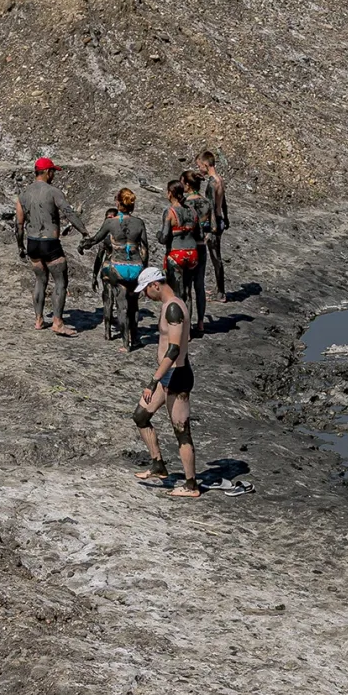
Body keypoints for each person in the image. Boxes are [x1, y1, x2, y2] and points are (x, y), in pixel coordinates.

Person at [131, 266, 202, 497]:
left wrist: (153, 381)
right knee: (141, 415)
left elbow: (173, 349)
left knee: (181, 431)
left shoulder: (173, 308)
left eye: (145, 291)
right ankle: (158, 465)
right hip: (167, 375)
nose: (145, 296)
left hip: (177, 376)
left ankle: (191, 485)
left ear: (155, 285)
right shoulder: (171, 305)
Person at [18, 157, 87, 335]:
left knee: (40, 280)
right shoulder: (53, 191)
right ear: (48, 172)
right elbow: (68, 212)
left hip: (32, 243)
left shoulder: (23, 194)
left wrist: (20, 246)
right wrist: (84, 232)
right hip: (50, 243)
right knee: (60, 281)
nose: (54, 175)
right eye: (53, 172)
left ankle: (39, 320)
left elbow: (19, 224)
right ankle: (57, 322)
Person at [81, 188, 152, 350]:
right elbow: (144, 249)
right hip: (136, 267)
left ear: (118, 203)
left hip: (118, 266)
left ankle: (126, 343)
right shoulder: (139, 223)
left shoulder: (110, 223)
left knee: (122, 306)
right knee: (134, 305)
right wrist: (144, 271)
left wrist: (84, 244)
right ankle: (136, 339)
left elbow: (95, 239)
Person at [162, 177, 209, 330]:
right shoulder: (192, 211)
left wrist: (158, 235)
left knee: (176, 293)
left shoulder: (169, 212)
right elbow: (200, 232)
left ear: (170, 193)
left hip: (176, 254)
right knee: (188, 291)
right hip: (193, 253)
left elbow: (164, 237)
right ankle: (188, 330)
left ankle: (178, 328)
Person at [194, 150, 232, 302]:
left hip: (214, 221)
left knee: (216, 257)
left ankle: (221, 293)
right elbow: (223, 202)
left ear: (205, 164)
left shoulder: (211, 182)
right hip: (220, 218)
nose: (199, 169)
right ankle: (219, 289)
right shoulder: (220, 180)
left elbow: (210, 206)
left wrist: (211, 229)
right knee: (217, 257)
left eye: (199, 166)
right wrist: (226, 217)